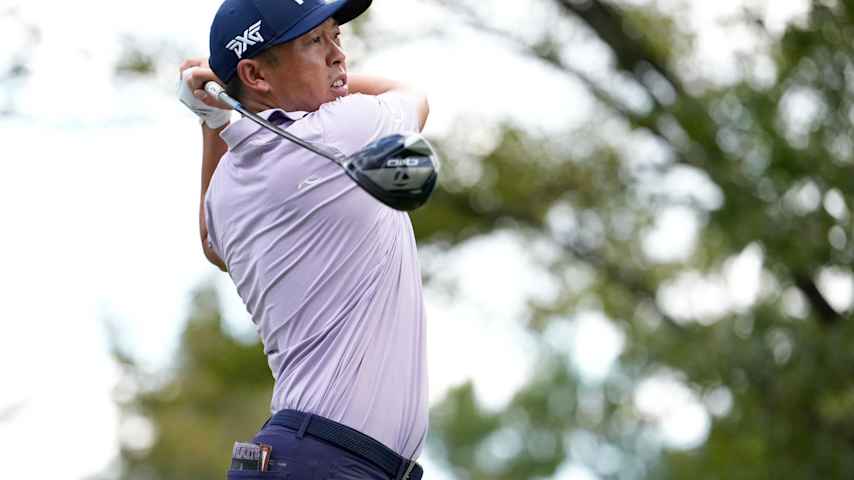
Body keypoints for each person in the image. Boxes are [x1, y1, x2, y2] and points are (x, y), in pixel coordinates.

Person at [178, 0, 430, 478]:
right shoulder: (342, 131)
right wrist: (220, 104)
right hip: (324, 458)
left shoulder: (228, 186)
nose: (339, 56)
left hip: (307, 456)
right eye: (315, 42)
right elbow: (413, 94)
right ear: (256, 75)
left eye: (337, 36)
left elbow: (212, 243)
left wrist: (212, 118)